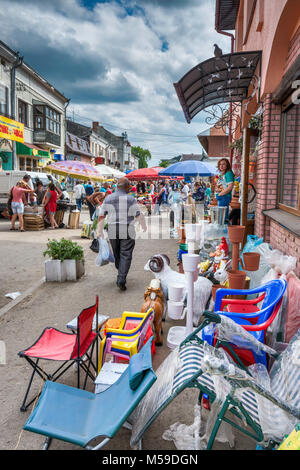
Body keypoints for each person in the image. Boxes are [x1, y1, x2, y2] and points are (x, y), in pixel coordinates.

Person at [97, 177, 147, 291]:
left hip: (112, 228)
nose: (130, 188)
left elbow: (101, 215)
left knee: (117, 253)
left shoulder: (108, 198)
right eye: (129, 186)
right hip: (127, 228)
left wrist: (99, 231)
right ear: (126, 187)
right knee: (126, 254)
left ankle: (121, 274)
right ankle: (121, 277)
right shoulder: (130, 199)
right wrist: (143, 224)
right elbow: (138, 214)